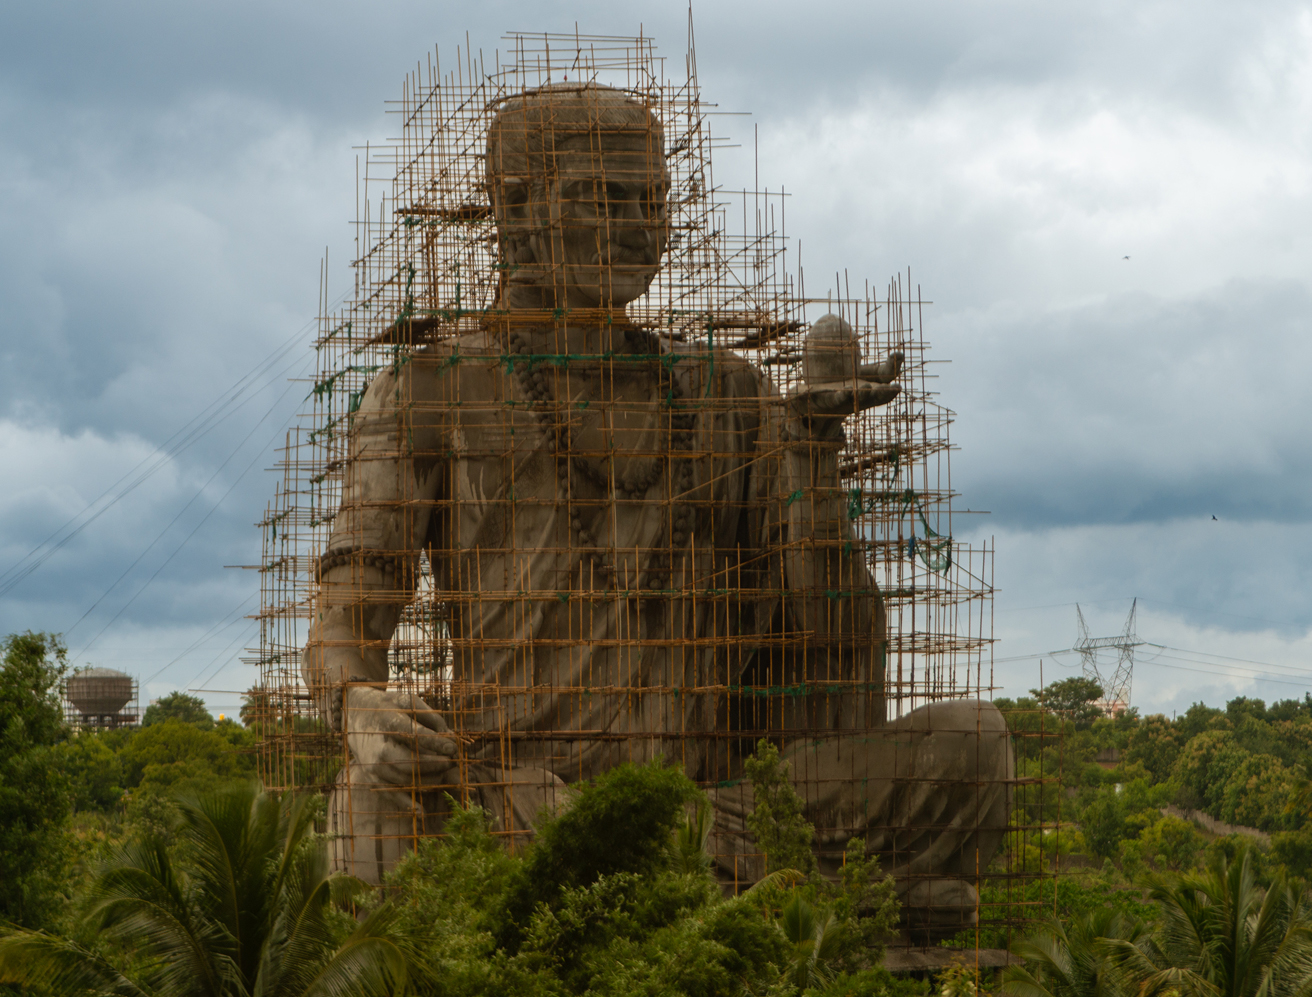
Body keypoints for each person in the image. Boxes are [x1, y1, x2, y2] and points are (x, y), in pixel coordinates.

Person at [304, 82, 1008, 940]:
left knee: (973, 743)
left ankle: (778, 896)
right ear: (517, 207)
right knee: (370, 799)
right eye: (603, 197)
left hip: (704, 816)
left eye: (654, 200)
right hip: (524, 805)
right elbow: (352, 605)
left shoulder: (729, 395)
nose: (641, 225)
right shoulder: (425, 392)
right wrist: (360, 705)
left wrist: (813, 463)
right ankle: (820, 907)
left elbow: (835, 668)